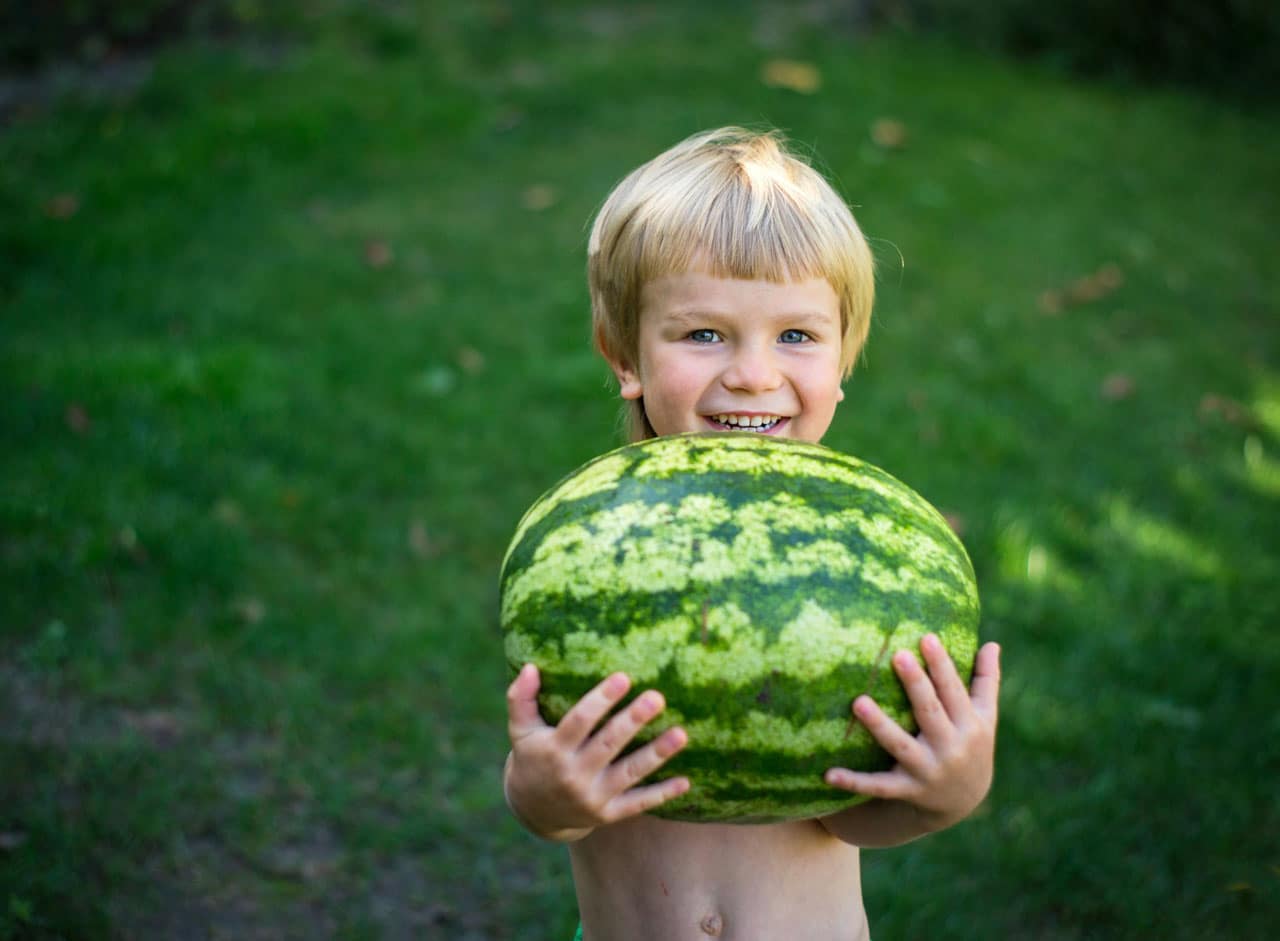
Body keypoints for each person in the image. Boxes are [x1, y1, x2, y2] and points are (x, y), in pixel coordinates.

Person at [503, 127, 1001, 940]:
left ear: (844, 361)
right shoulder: (599, 551)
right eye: (705, 333)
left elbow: (848, 817)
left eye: (796, 336)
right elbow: (556, 810)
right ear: (623, 354)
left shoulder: (851, 561)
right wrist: (548, 794)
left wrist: (945, 792)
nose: (753, 374)